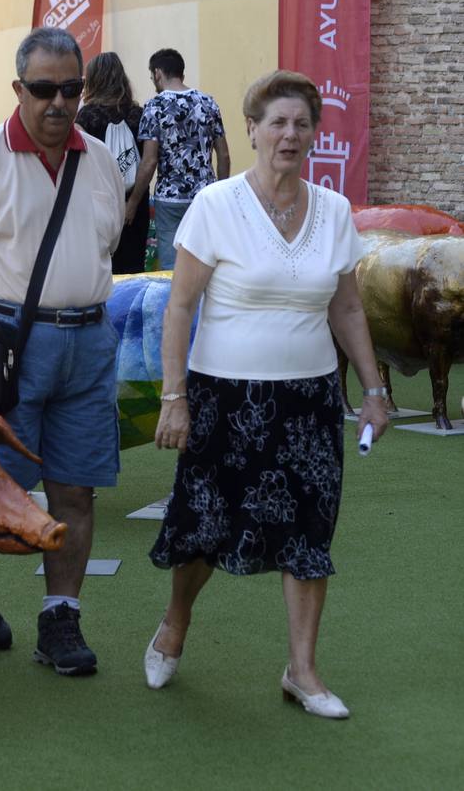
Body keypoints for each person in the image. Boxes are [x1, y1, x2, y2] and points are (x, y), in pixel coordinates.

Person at [145, 70, 388, 717]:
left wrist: (372, 389)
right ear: (250, 130)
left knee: (309, 531)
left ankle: (301, 672)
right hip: (222, 396)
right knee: (203, 527)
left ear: (313, 134)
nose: (289, 134)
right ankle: (174, 622)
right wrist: (174, 397)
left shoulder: (333, 210)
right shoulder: (215, 205)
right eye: (276, 122)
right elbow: (178, 306)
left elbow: (346, 310)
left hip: (308, 401)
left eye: (301, 123)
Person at [0, 27, 124, 676]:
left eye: (70, 88)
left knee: (76, 491)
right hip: (7, 346)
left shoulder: (97, 160)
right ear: (19, 89)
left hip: (87, 344)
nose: (58, 102)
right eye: (43, 89)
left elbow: (102, 247)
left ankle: (59, 619)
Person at [133, 48, 230, 269]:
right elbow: (223, 155)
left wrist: (133, 201)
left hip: (170, 199)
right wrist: (221, 193)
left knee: (172, 269)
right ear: (181, 74)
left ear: (157, 73)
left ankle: (176, 304)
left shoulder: (154, 107)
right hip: (205, 196)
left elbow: (149, 162)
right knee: (205, 263)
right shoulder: (208, 103)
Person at [75, 52, 147, 273]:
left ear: (94, 79)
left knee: (102, 266)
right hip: (136, 203)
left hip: (99, 201)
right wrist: (133, 203)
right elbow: (147, 162)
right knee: (133, 268)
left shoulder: (86, 117)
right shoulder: (139, 114)